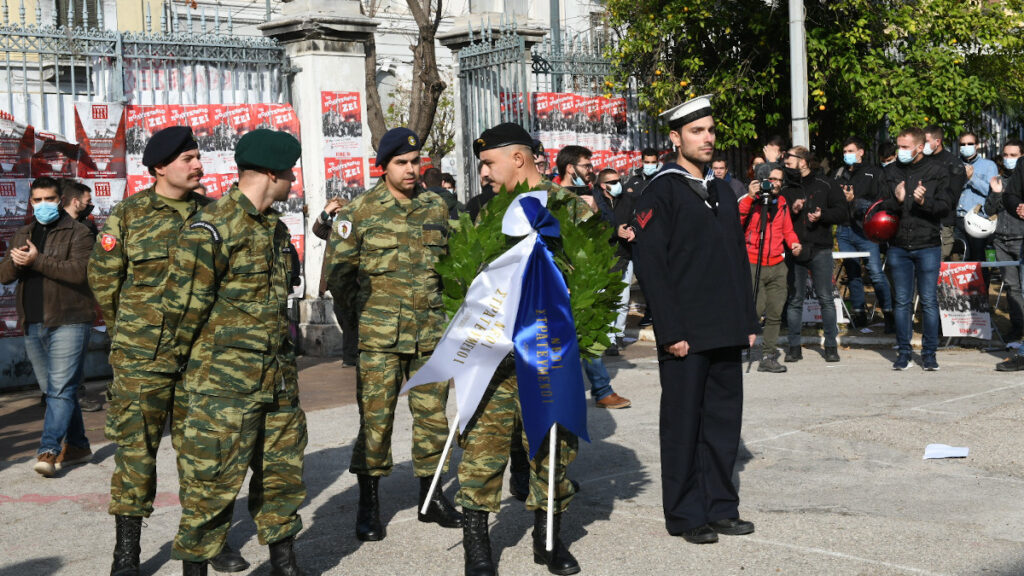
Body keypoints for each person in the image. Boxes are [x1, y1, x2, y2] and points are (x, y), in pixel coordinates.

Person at [88, 127, 249, 576]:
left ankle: (209, 542)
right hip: (144, 359)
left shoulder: (215, 214)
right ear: (160, 167)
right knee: (135, 454)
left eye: (198, 156)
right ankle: (127, 553)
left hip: (204, 358)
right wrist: (134, 334)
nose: (198, 165)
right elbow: (104, 280)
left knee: (205, 455)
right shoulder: (130, 215)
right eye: (188, 158)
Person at [162, 129, 307, 576]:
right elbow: (181, 314)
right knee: (210, 491)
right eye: (288, 174)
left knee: (282, 481)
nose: (292, 182)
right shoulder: (212, 228)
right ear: (270, 174)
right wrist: (179, 389)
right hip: (222, 391)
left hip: (277, 384)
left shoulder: (275, 229)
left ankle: (285, 566)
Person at [458, 122, 593, 576]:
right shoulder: (485, 215)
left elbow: (594, 280)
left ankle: (548, 539)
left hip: (548, 355)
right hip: (495, 358)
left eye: (489, 163)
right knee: (482, 447)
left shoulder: (571, 210)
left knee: (552, 449)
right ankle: (476, 547)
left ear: (518, 159)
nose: (485, 174)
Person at [323, 127, 462, 543]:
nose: (410, 170)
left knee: (433, 420)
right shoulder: (359, 211)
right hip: (379, 340)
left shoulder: (436, 207)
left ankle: (431, 497)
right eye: (401, 163)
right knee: (376, 423)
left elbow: (453, 267)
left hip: (430, 336)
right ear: (383, 166)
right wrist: (362, 327)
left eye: (415, 162)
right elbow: (340, 278)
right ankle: (369, 504)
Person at [632, 95, 758, 545]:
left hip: (725, 326)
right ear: (675, 138)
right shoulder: (660, 190)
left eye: (710, 130)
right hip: (687, 331)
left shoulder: (723, 190)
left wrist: (748, 320)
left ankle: (721, 506)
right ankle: (686, 514)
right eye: (696, 131)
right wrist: (671, 331)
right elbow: (652, 266)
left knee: (724, 423)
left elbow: (735, 260)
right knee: (685, 425)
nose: (707, 138)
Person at [0, 177, 95, 477]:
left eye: (49, 199)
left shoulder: (79, 232)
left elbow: (80, 273)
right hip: (33, 322)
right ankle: (78, 445)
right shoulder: (23, 233)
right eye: (37, 200)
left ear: (60, 199)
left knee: (59, 391)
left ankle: (49, 449)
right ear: (30, 202)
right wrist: (16, 262)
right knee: (57, 390)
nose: (43, 205)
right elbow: (4, 277)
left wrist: (38, 261)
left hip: (69, 320)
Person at [883, 127, 951, 371]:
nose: (899, 151)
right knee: (902, 302)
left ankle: (930, 353)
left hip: (927, 244)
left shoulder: (937, 171)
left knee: (929, 302)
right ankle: (904, 352)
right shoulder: (890, 171)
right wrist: (897, 200)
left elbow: (945, 207)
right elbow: (881, 206)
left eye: (904, 147)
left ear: (920, 147)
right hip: (898, 246)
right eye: (898, 146)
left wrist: (924, 202)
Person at [781, 146, 848, 363]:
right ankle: (794, 347)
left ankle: (830, 346)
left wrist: (823, 215)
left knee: (825, 298)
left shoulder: (826, 183)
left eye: (789, 158)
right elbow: (779, 219)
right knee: (795, 300)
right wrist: (793, 209)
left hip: (820, 248)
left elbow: (842, 212)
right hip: (795, 249)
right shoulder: (786, 188)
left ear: (803, 161)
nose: (785, 161)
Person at [740, 168, 801, 372]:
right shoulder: (752, 200)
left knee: (775, 312)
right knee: (754, 310)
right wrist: (750, 197)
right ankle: (737, 345)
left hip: (777, 263)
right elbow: (736, 221)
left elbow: (787, 230)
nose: (773, 183)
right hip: (753, 262)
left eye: (777, 180)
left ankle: (768, 355)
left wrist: (793, 243)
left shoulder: (782, 202)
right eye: (770, 179)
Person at [581, 168, 633, 409]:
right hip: (594, 265)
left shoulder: (625, 200)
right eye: (584, 165)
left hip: (620, 258)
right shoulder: (584, 199)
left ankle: (602, 388)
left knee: (616, 304)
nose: (618, 184)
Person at [834, 136, 894, 332]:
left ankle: (889, 313)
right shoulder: (840, 173)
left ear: (860, 152)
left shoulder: (873, 173)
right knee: (852, 273)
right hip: (844, 229)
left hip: (866, 231)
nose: (847, 155)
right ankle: (859, 314)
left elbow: (880, 202)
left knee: (875, 273)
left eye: (850, 151)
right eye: (845, 152)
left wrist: (855, 200)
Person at [985, 138, 1024, 344]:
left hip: (1021, 238)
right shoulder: (998, 180)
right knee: (1011, 286)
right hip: (1001, 239)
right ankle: (1017, 327)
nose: (1008, 160)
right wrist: (995, 193)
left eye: (1013, 155)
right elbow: (989, 210)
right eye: (1005, 156)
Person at [313, 196, 358, 367]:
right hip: (334, 282)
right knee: (342, 317)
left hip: (351, 280)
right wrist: (327, 211)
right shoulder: (331, 230)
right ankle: (352, 353)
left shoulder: (351, 228)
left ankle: (350, 357)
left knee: (349, 319)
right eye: (334, 214)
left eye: (339, 212)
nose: (337, 216)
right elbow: (317, 229)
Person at [955, 131, 1000, 268]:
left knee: (978, 259)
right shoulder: (955, 163)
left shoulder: (989, 165)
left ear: (977, 145)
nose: (966, 146)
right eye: (963, 144)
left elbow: (990, 191)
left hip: (978, 219)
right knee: (959, 259)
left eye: (970, 144)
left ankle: (981, 288)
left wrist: (972, 178)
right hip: (957, 218)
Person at [923, 125, 967, 260]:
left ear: (938, 141)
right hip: (921, 221)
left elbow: (951, 196)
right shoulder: (921, 161)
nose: (922, 145)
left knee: (936, 262)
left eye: (926, 141)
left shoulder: (953, 164)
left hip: (942, 222)